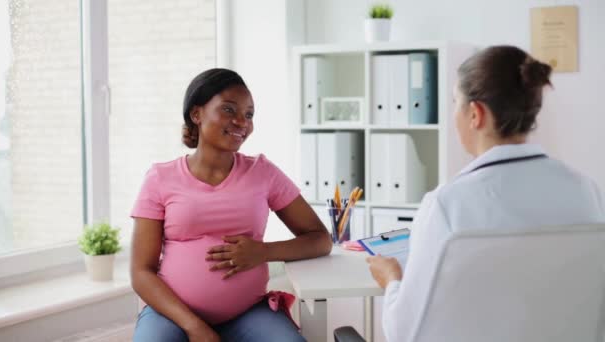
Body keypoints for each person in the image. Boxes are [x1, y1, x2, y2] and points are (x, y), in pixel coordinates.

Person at [366, 45, 605, 342]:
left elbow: (403, 333)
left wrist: (392, 279)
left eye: (455, 103)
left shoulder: (446, 205)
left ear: (476, 114)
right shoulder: (586, 192)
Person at [130, 68, 332, 342]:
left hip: (248, 312)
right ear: (196, 114)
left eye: (249, 115)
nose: (241, 122)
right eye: (228, 109)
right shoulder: (160, 178)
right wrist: (194, 326)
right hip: (172, 314)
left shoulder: (263, 172)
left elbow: (320, 240)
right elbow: (141, 272)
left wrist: (262, 252)